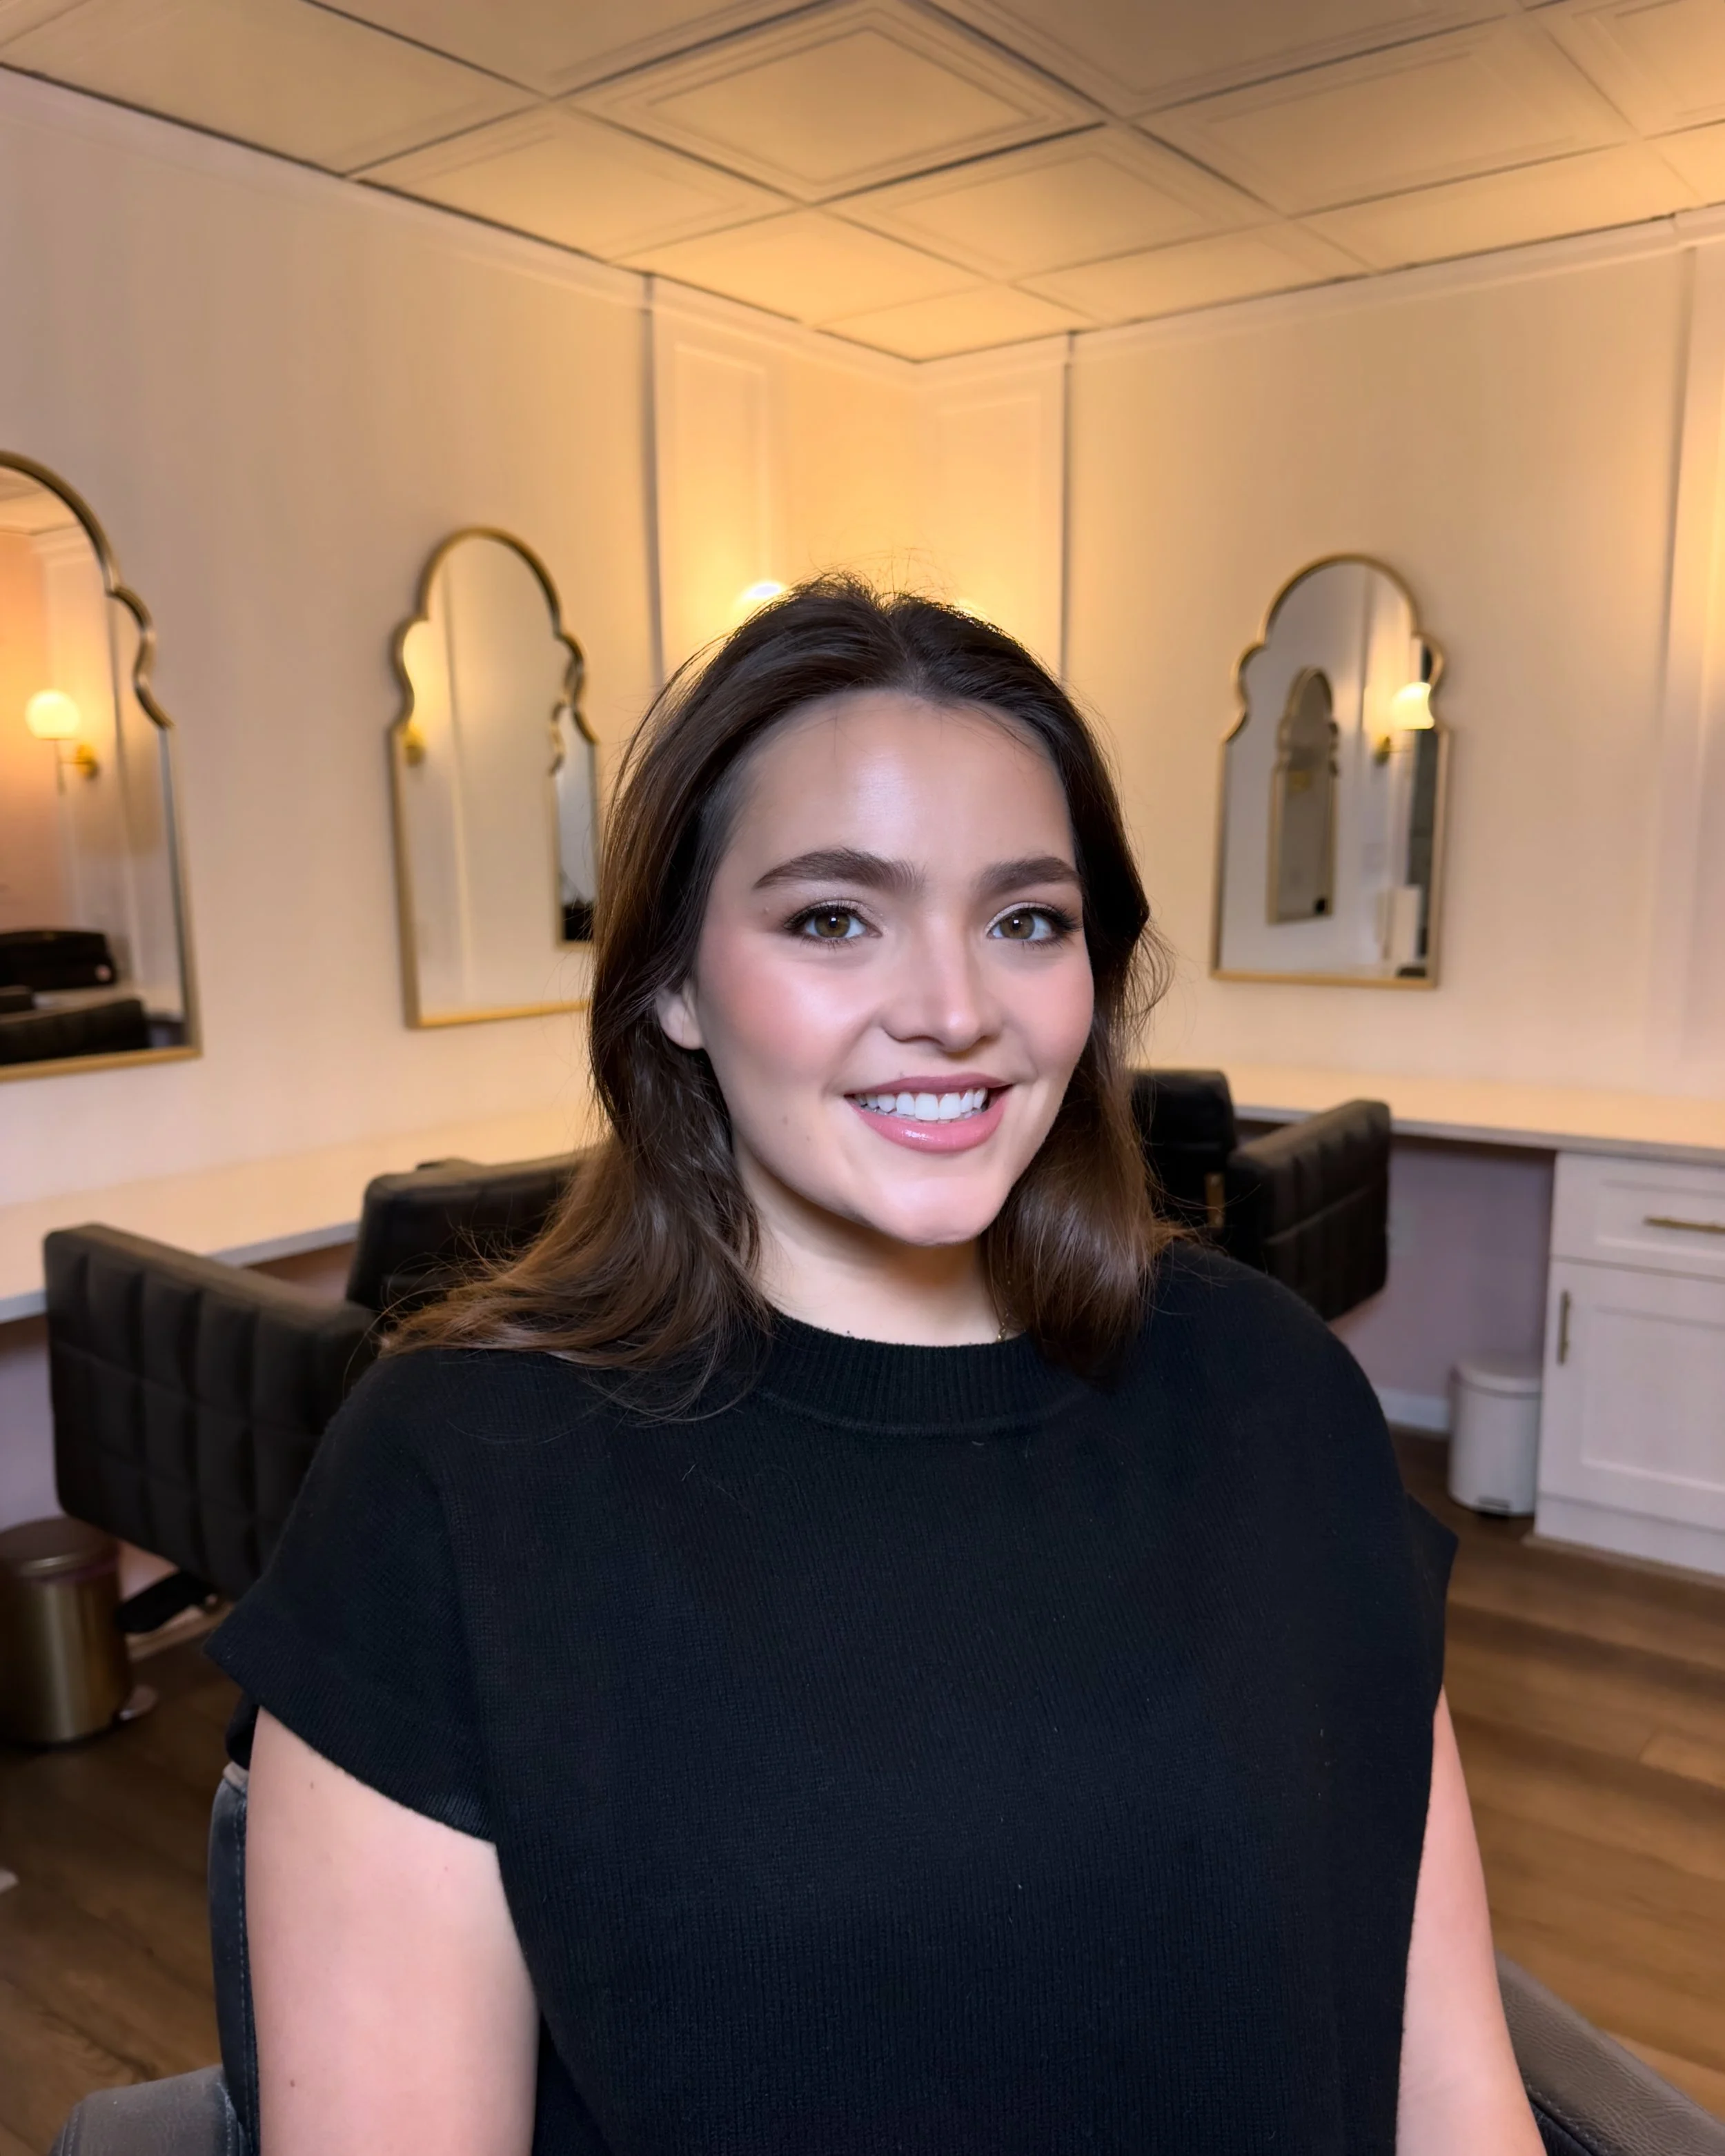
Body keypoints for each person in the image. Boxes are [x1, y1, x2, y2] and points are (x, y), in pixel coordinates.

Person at [209, 580, 1541, 2155]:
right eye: (833, 917)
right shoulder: (458, 1475)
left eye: (1025, 920)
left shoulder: (1276, 1388)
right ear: (670, 984)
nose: (955, 1011)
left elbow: (1448, 2083)